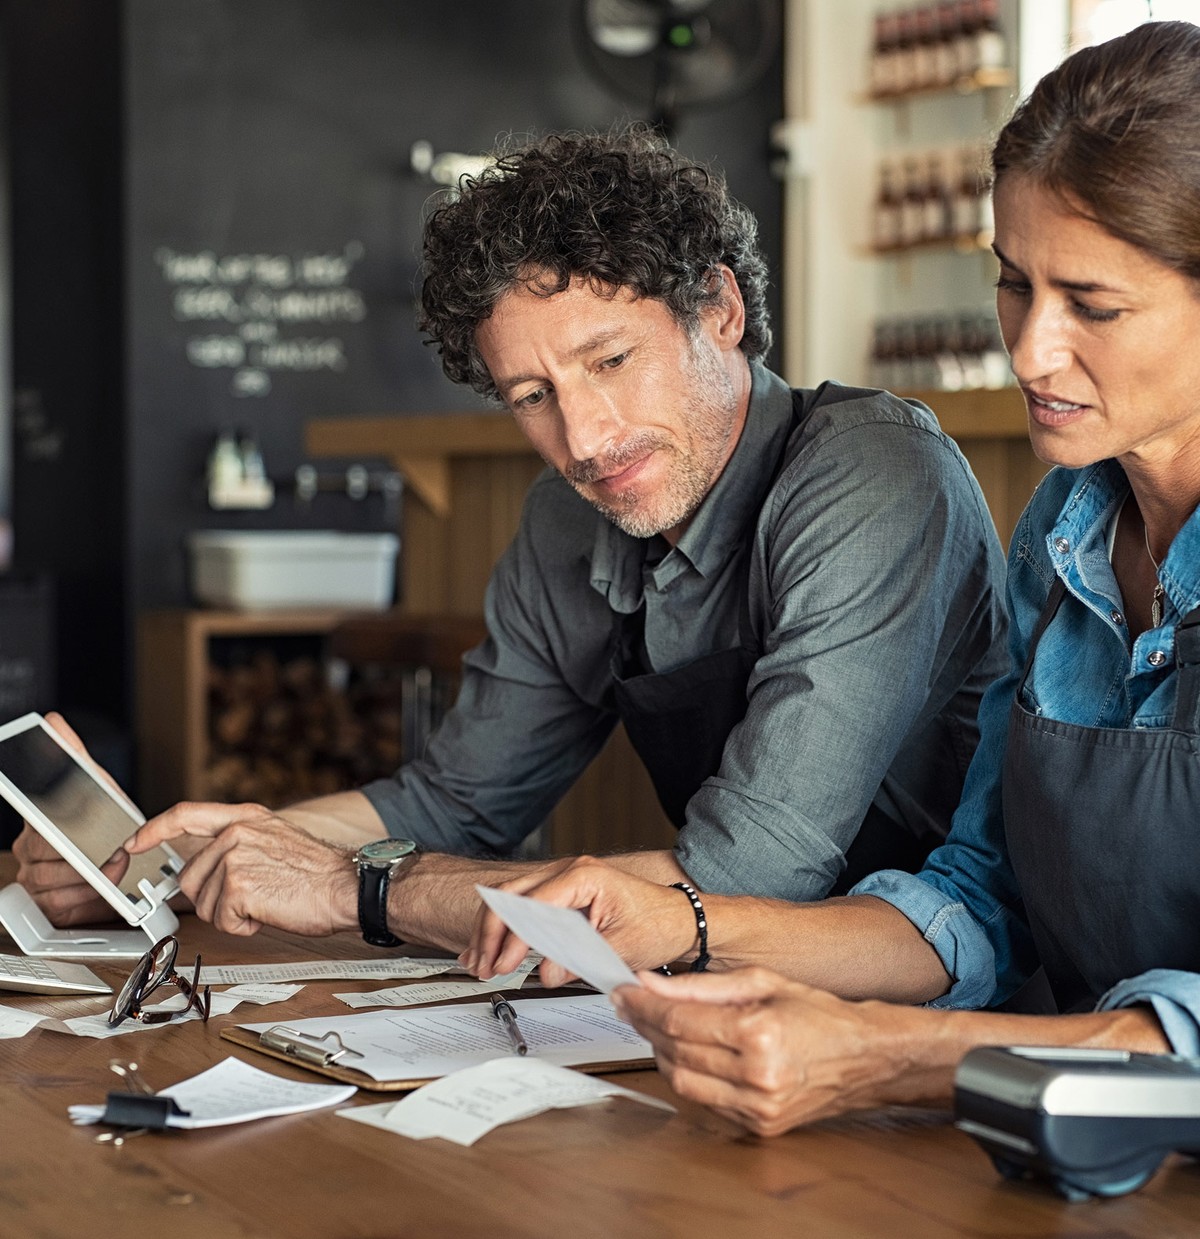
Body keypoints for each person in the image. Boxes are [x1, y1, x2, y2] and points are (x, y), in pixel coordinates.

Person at [464, 21, 1200, 1137]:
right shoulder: (1064, 529)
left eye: (1092, 306)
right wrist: (680, 925)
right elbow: (977, 902)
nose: (1032, 349)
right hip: (1070, 1134)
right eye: (1014, 284)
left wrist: (894, 1056)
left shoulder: (878, 468)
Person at [13, 127, 1006, 953]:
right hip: (739, 1001)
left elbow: (745, 877)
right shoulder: (569, 519)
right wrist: (173, 860)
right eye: (533, 398)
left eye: (611, 360)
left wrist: (360, 892)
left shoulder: (872, 477)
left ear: (721, 311)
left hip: (948, 997)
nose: (584, 439)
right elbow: (454, 800)